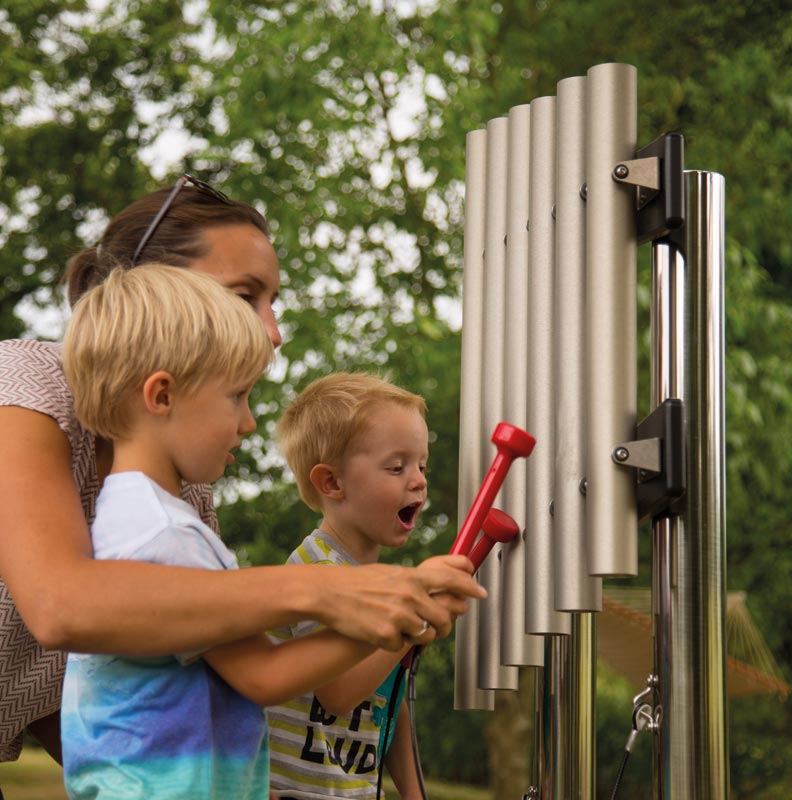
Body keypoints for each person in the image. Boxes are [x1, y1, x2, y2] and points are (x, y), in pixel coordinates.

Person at [0, 175, 486, 767]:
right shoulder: (28, 386)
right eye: (245, 296)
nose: (274, 332)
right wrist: (334, 590)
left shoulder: (185, 491)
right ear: (149, 290)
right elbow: (62, 606)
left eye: (272, 303)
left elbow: (123, 681)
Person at [60, 265, 424, 798]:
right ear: (161, 396)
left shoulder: (131, 518)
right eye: (237, 397)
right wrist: (401, 616)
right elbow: (265, 674)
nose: (249, 422)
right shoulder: (166, 538)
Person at [268, 373, 433, 800]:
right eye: (397, 467)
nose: (418, 480)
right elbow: (338, 691)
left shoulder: (380, 588)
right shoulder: (317, 572)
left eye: (422, 464)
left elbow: (387, 704)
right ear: (332, 483)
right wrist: (411, 624)